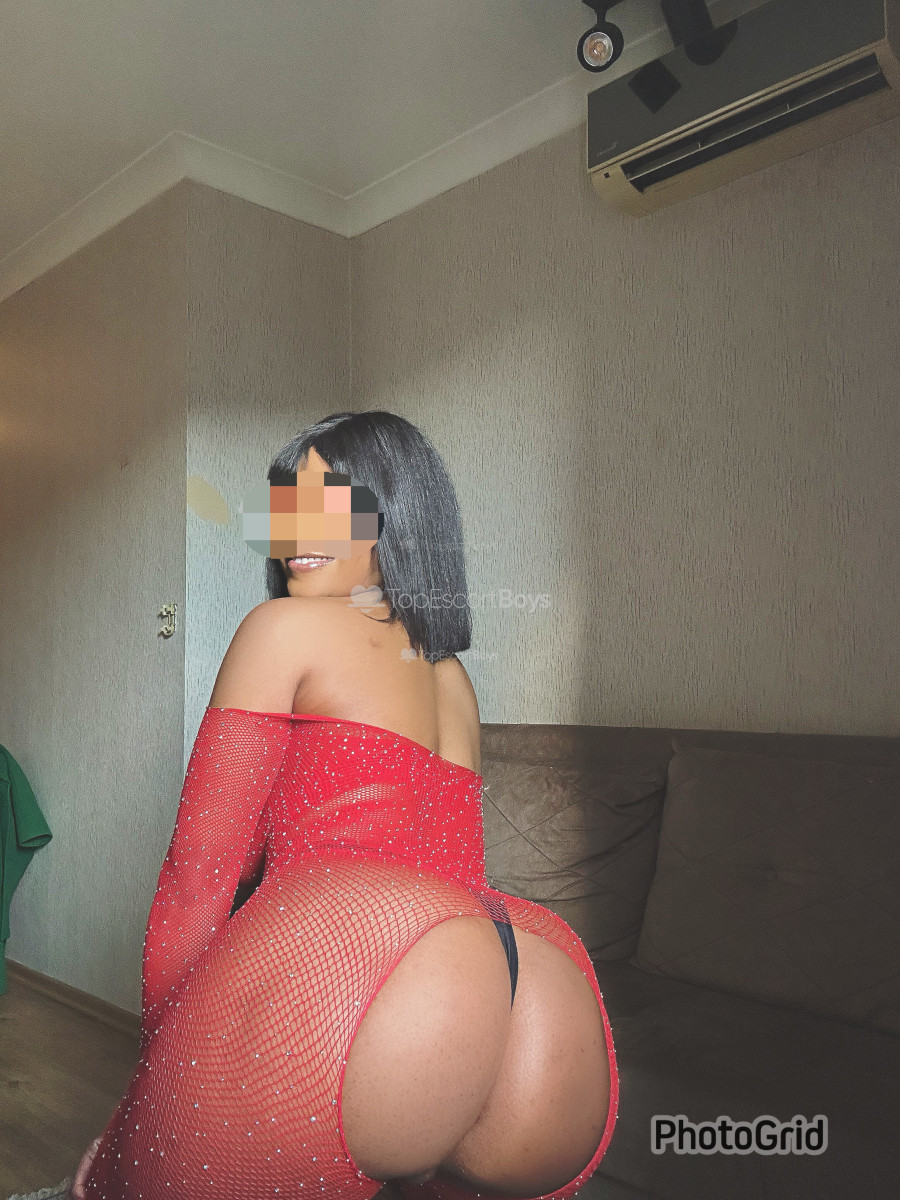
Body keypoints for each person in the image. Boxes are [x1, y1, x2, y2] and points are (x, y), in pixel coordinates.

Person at [71, 409, 617, 1200]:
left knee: (123, 1180)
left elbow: (197, 881)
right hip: (526, 975)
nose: (294, 530)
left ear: (395, 516)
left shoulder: (284, 629)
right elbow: (454, 865)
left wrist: (160, 1071)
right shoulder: (452, 676)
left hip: (374, 975)